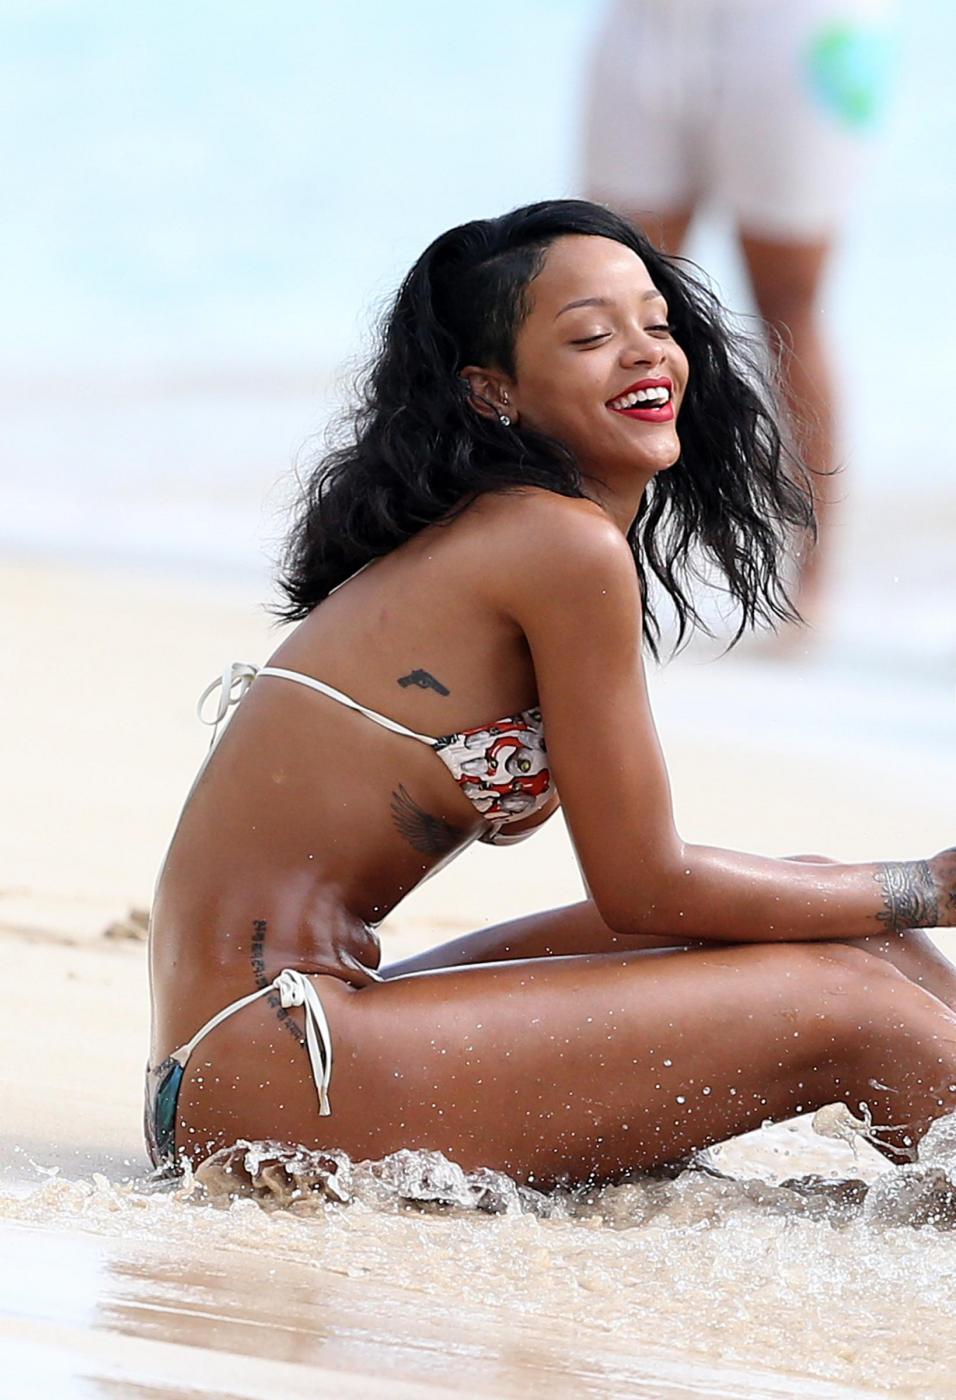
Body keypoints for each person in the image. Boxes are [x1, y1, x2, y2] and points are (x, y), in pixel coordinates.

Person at [146, 200, 956, 1187]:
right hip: (273, 1061)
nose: (643, 352)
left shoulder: (517, 533)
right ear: (493, 392)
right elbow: (644, 885)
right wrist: (929, 884)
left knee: (848, 923)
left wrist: (903, 898)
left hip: (249, 1055)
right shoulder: (556, 544)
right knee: (850, 1008)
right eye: (589, 336)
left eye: (655, 324)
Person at [581, 0, 897, 625]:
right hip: (645, 18)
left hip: (801, 23)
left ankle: (810, 593)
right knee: (606, 290)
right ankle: (592, 572)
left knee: (789, 304)